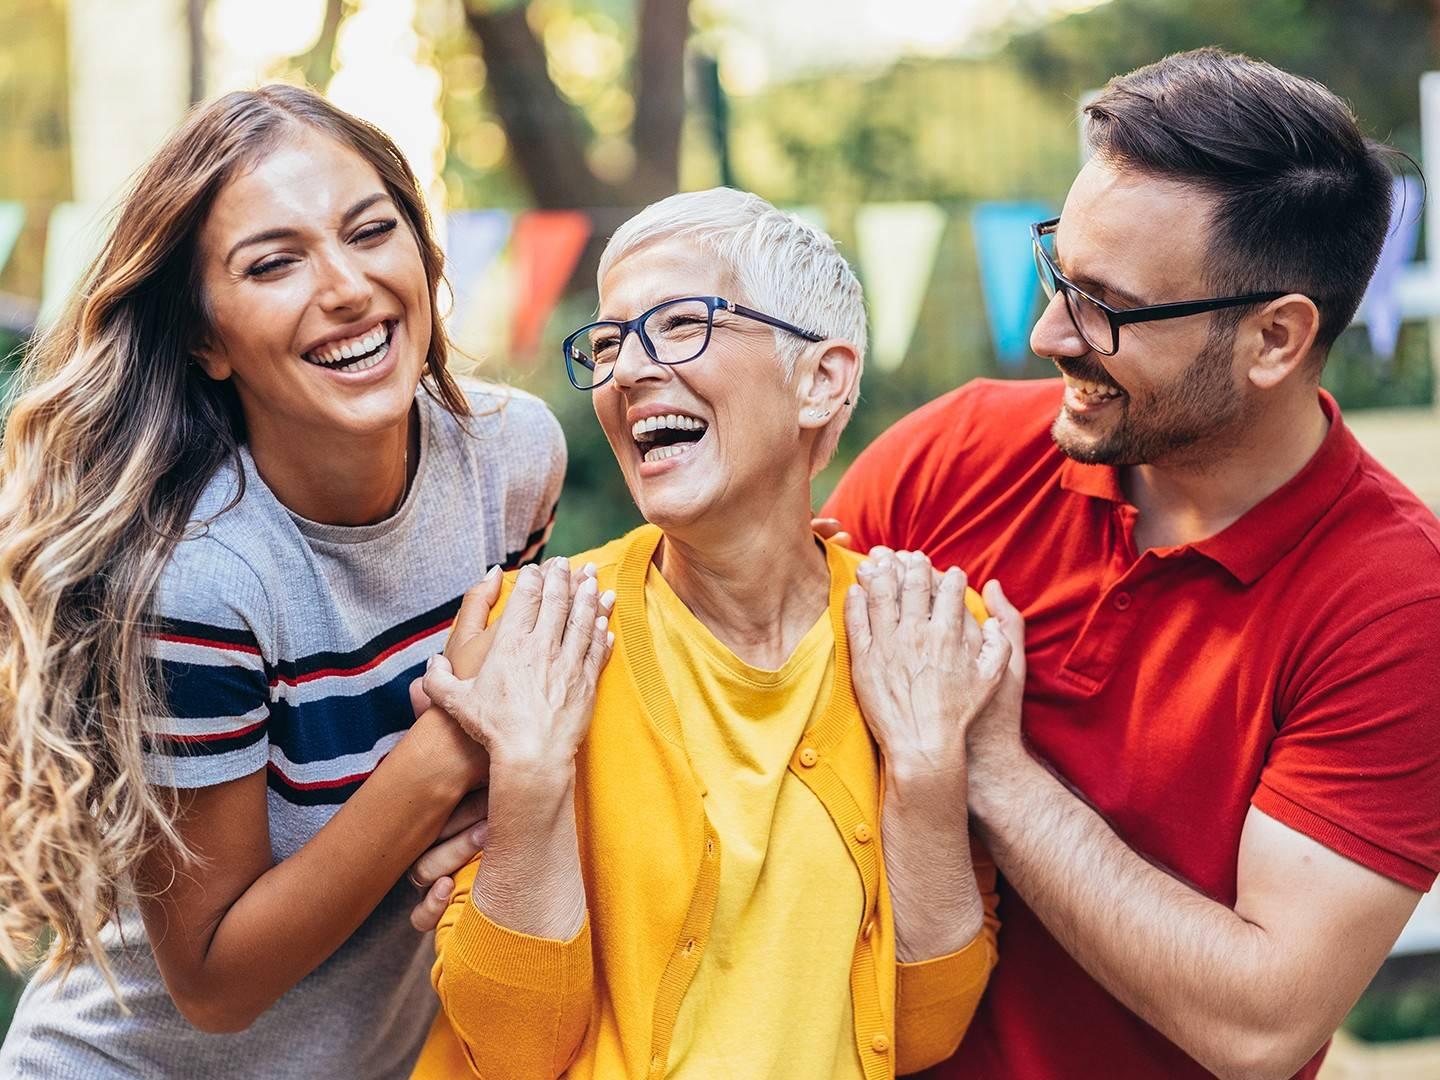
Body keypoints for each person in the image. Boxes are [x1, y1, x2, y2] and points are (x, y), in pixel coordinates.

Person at [824, 48, 1440, 1080]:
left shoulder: (1395, 607)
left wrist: (990, 765)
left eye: (1105, 305)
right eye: (1057, 269)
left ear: (1275, 339)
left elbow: (1262, 1024)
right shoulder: (949, 457)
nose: (1046, 331)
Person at [0, 85, 579, 1078]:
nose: (347, 285)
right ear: (207, 340)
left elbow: (521, 748)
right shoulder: (202, 579)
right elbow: (217, 982)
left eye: (370, 231)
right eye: (273, 263)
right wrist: (452, 742)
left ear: (425, 256)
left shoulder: (510, 462)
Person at [407, 188, 1004, 1080]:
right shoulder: (529, 637)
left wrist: (924, 771)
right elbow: (513, 1046)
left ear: (823, 378)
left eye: (682, 323)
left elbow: (924, 1028)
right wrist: (529, 778)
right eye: (607, 343)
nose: (629, 370)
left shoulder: (926, 641)